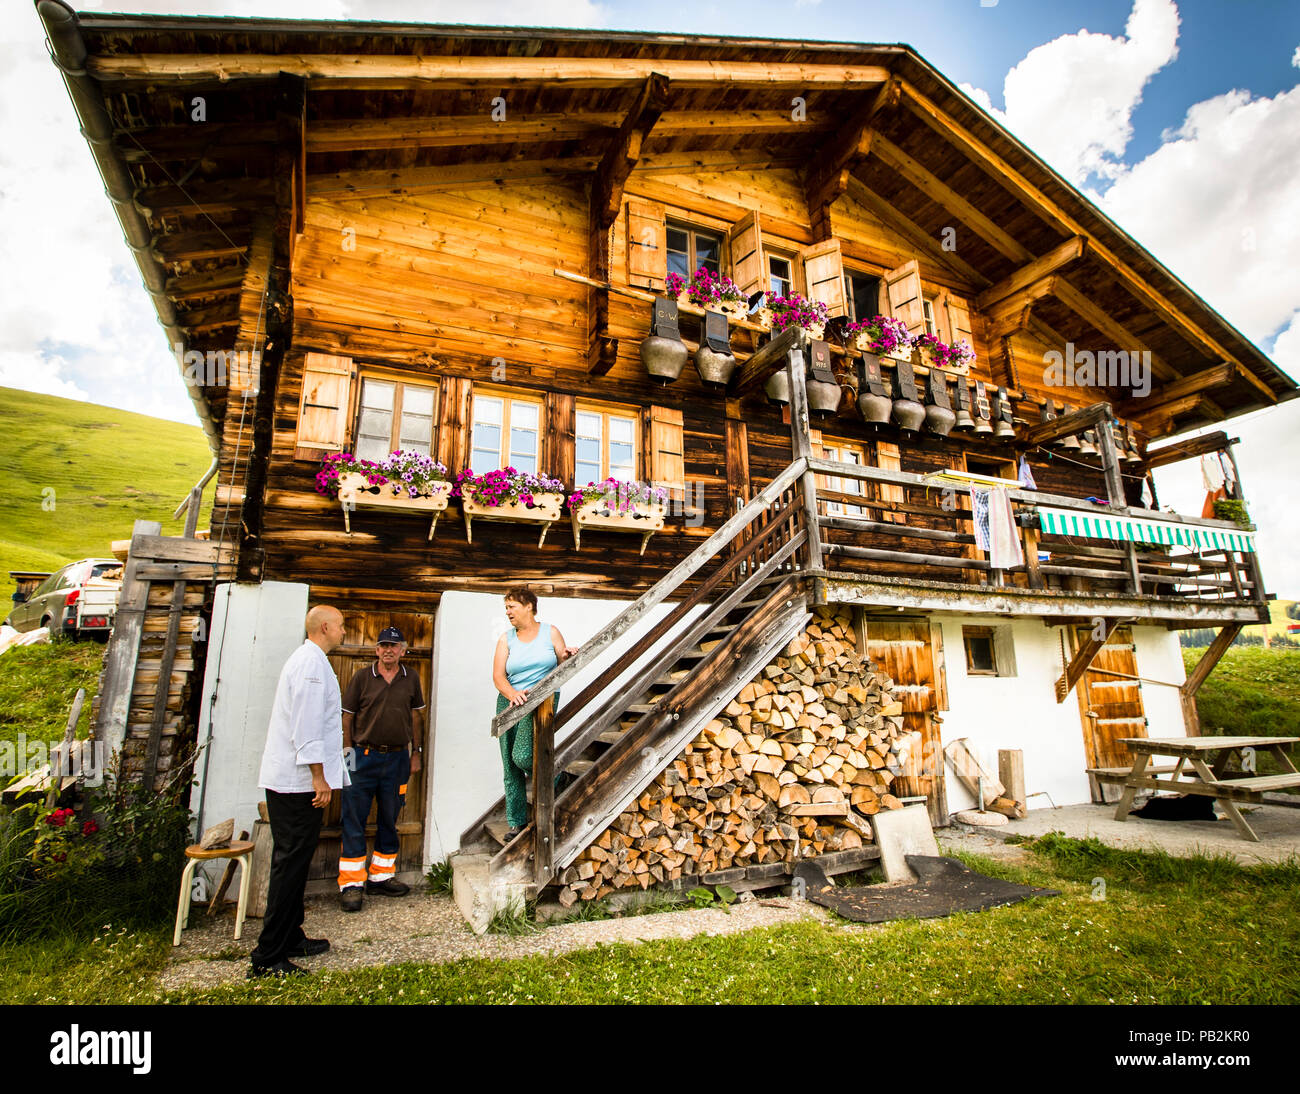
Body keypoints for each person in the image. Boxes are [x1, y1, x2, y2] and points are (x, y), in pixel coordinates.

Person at [248, 604, 349, 978]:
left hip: (296, 782)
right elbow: (307, 728)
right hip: (296, 784)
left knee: (296, 861)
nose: (343, 630)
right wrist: (318, 777)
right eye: (340, 625)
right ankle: (267, 955)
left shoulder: (312, 660)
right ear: (324, 626)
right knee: (289, 865)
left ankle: (291, 936)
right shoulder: (310, 665)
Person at [337, 625, 425, 912]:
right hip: (362, 757)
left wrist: (416, 753)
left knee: (390, 818)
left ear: (402, 650)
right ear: (377, 650)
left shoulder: (410, 677)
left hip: (398, 759)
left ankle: (381, 876)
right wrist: (348, 755)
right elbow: (347, 718)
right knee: (354, 820)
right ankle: (351, 884)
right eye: (384, 645)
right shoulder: (362, 677)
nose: (389, 650)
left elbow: (416, 717)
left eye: (394, 645)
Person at [493, 587, 578, 840]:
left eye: (512, 607)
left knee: (523, 756)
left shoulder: (550, 632)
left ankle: (556, 777)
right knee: (510, 766)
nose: (508, 612)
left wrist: (567, 656)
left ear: (528, 606)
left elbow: (562, 664)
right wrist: (511, 695)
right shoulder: (506, 639)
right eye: (506, 608)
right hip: (510, 702)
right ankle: (516, 822)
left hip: (541, 701)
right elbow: (499, 676)